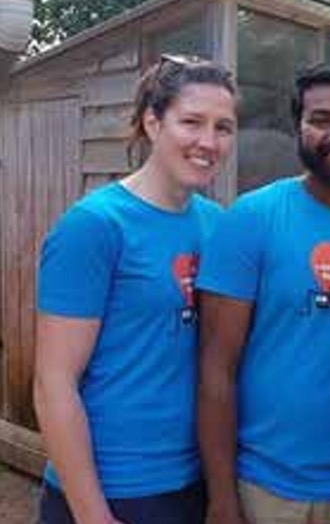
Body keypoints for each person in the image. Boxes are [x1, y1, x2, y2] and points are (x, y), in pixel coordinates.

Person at [33, 54, 237, 524]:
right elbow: (52, 383)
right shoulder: (95, 226)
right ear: (152, 122)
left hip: (189, 481)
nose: (209, 142)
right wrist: (92, 515)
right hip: (110, 490)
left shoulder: (218, 225)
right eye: (191, 122)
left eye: (223, 127)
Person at [196, 62, 330, 524]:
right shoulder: (251, 219)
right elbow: (215, 370)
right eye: (321, 120)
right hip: (266, 486)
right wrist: (221, 497)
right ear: (299, 128)